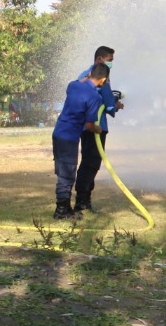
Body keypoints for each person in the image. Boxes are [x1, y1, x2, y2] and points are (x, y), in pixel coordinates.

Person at [52, 63, 110, 220]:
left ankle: (65, 208)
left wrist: (90, 74)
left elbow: (82, 81)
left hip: (57, 133)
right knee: (67, 174)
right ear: (103, 80)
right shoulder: (94, 97)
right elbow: (89, 125)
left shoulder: (73, 85)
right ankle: (61, 211)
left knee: (63, 172)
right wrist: (98, 129)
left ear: (90, 73)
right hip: (69, 137)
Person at [74, 46, 123, 213]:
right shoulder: (100, 77)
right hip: (93, 127)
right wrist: (115, 106)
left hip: (88, 126)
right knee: (91, 163)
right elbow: (108, 101)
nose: (111, 64)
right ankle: (81, 202)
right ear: (100, 59)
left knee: (90, 162)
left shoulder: (84, 75)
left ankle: (85, 201)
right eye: (110, 60)